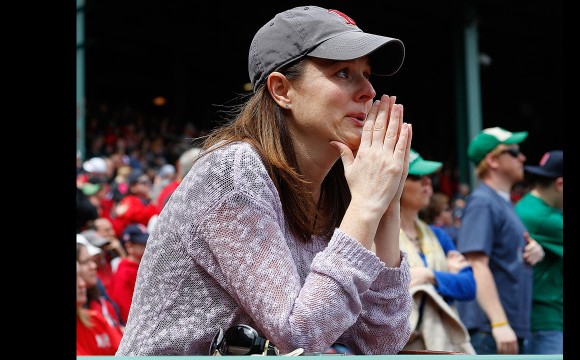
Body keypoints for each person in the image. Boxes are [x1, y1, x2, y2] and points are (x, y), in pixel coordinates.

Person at [117, 5, 413, 356]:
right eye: (343, 74)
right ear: (282, 90)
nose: (368, 91)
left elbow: (380, 344)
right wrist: (366, 206)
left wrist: (388, 203)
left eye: (366, 73)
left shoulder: (341, 183)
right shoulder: (232, 172)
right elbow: (299, 336)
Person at [455, 127, 546, 354]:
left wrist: (535, 250)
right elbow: (477, 265)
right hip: (492, 330)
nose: (522, 157)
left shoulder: (501, 202)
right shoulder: (483, 202)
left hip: (506, 328)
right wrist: (499, 323)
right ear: (492, 160)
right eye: (514, 152)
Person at [397, 149, 475, 354]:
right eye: (416, 177)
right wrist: (447, 276)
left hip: (442, 345)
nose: (427, 183)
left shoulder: (438, 236)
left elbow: (469, 285)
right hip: (401, 347)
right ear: (394, 182)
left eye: (428, 178)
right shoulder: (378, 237)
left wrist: (429, 276)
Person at [515, 150, 563, 354]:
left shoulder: (528, 205)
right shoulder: (544, 217)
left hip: (540, 318)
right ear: (559, 184)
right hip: (545, 320)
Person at [77, 257, 123, 355]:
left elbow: (124, 352)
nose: (81, 284)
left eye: (79, 277)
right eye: (85, 262)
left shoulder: (96, 318)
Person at [109, 223, 149, 325]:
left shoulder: (142, 266)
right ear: (129, 246)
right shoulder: (123, 273)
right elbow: (126, 314)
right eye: (143, 244)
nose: (148, 246)